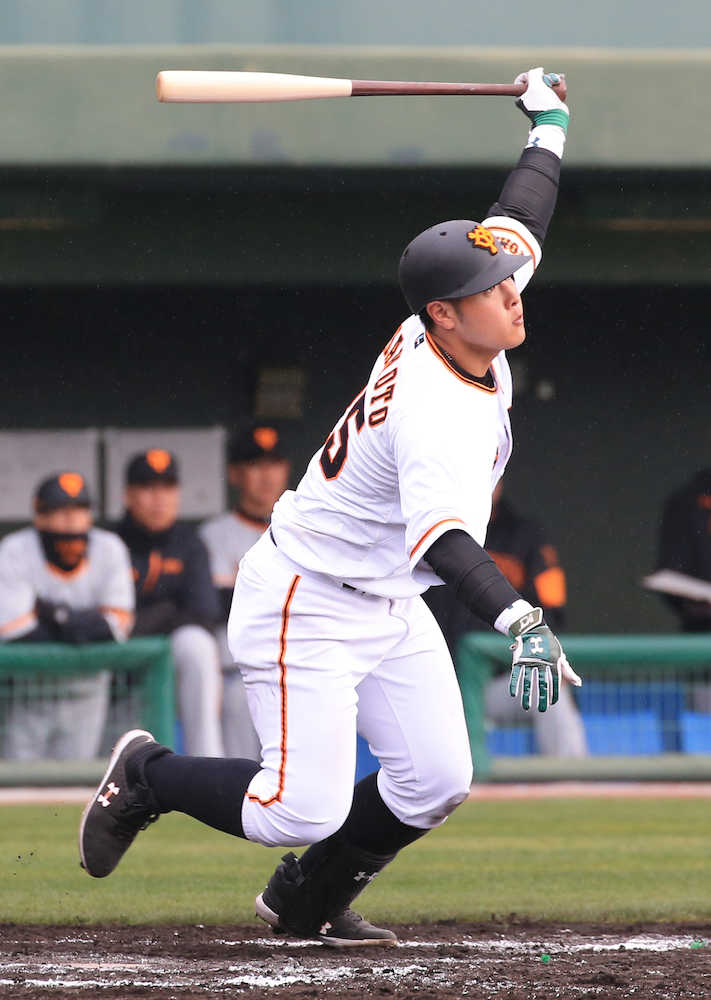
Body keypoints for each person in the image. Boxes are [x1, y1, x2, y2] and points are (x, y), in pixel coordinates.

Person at [79, 68, 581, 947]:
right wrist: (519, 619)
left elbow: (521, 218)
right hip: (307, 597)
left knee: (434, 779)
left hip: (384, 597)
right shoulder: (433, 410)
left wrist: (546, 125)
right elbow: (445, 543)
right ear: (442, 313)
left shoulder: (459, 320)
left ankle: (304, 901)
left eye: (507, 280)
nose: (512, 292)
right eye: (492, 287)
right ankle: (148, 773)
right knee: (295, 808)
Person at [424, 479, 587, 757]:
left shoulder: (524, 535)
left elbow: (553, 609)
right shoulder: (428, 528)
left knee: (547, 686)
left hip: (499, 685)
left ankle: (571, 781)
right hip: (436, 688)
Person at [0, 472, 134, 759]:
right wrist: (84, 623)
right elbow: (15, 631)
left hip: (87, 692)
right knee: (20, 779)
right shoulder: (15, 550)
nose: (72, 519)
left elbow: (116, 627)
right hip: (28, 693)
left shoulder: (109, 548)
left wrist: (52, 614)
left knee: (78, 781)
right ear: (39, 516)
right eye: (60, 510)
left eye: (80, 509)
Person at [112, 449, 223, 756]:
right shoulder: (111, 542)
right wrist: (168, 612)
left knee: (197, 644)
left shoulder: (190, 543)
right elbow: (109, 625)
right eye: (148, 488)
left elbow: (204, 613)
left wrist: (149, 619)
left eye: (168, 488)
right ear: (128, 495)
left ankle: (206, 761)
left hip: (171, 661)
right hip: (118, 667)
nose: (159, 498)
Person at [200, 424, 291, 758]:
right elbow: (226, 604)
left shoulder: (306, 531)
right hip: (238, 677)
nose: (266, 475)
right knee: (243, 775)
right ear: (235, 474)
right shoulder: (214, 535)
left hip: (297, 674)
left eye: (274, 464)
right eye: (255, 465)